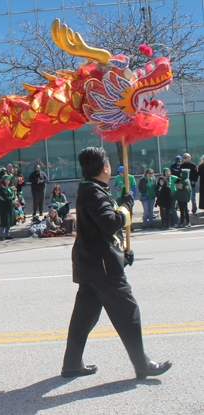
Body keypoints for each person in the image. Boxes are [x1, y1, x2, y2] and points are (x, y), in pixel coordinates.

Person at [61, 146, 171, 380]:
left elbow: (101, 232)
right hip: (102, 268)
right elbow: (110, 224)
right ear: (104, 168)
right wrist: (126, 206)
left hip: (93, 263)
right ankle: (142, 364)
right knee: (128, 312)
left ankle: (71, 364)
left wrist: (121, 253)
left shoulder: (92, 189)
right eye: (108, 163)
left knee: (84, 318)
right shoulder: (93, 192)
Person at [0, 175, 16, 240]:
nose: (8, 181)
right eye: (6, 180)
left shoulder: (10, 188)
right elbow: (5, 197)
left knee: (9, 221)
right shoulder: (2, 188)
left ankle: (7, 235)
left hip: (10, 206)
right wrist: (12, 200)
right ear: (3, 180)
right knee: (4, 221)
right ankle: (1, 235)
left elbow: (12, 196)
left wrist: (15, 200)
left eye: (9, 180)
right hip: (4, 207)